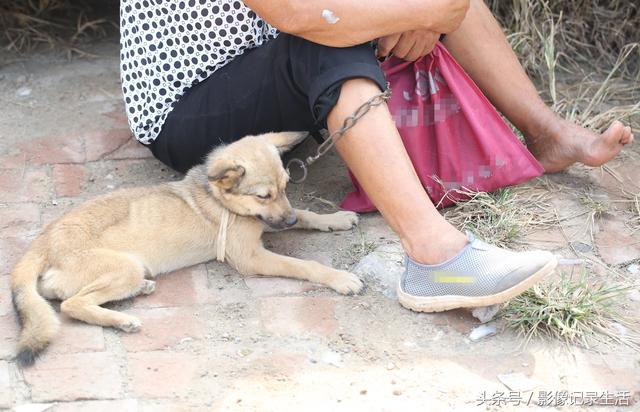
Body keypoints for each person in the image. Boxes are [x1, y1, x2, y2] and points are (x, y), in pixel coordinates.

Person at [119, 0, 634, 312]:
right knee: (324, 42)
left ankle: (546, 133)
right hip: (190, 112)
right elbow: (299, 13)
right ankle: (435, 257)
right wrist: (421, 11)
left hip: (270, 78)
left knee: (443, 3)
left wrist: (427, 11)